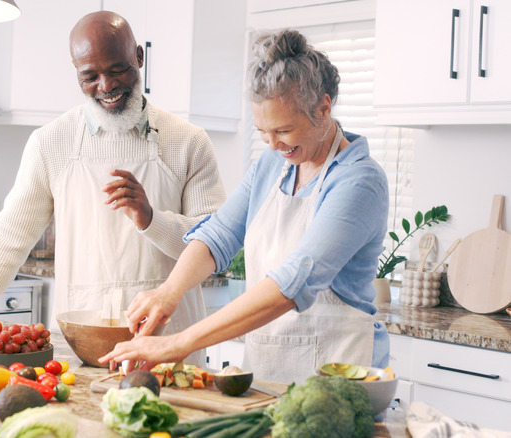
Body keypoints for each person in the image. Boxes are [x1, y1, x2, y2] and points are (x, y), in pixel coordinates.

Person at [0, 11, 226, 365]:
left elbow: (215, 248)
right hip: (83, 345)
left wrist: (150, 218)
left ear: (139, 58)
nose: (106, 86)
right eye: (90, 76)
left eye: (117, 70)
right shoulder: (52, 142)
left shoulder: (188, 142)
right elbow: (9, 237)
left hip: (171, 346)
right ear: (77, 73)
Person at [99, 29, 390, 385]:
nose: (272, 144)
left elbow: (293, 282)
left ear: (324, 109)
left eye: (283, 130)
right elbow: (220, 235)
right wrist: (168, 293)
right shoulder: (275, 164)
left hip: (341, 380)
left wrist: (179, 343)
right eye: (262, 132)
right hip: (270, 375)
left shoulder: (359, 182)